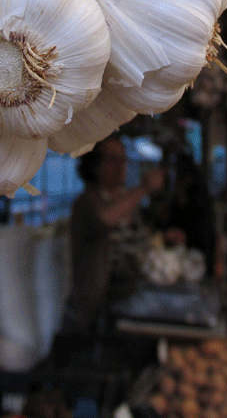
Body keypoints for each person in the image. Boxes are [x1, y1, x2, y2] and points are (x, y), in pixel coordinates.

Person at [63, 136, 165, 332]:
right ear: (95, 166)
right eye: (112, 160)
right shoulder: (86, 202)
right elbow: (103, 220)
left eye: (123, 159)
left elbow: (137, 238)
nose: (121, 166)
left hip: (129, 295)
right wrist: (143, 189)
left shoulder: (125, 199)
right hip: (98, 301)